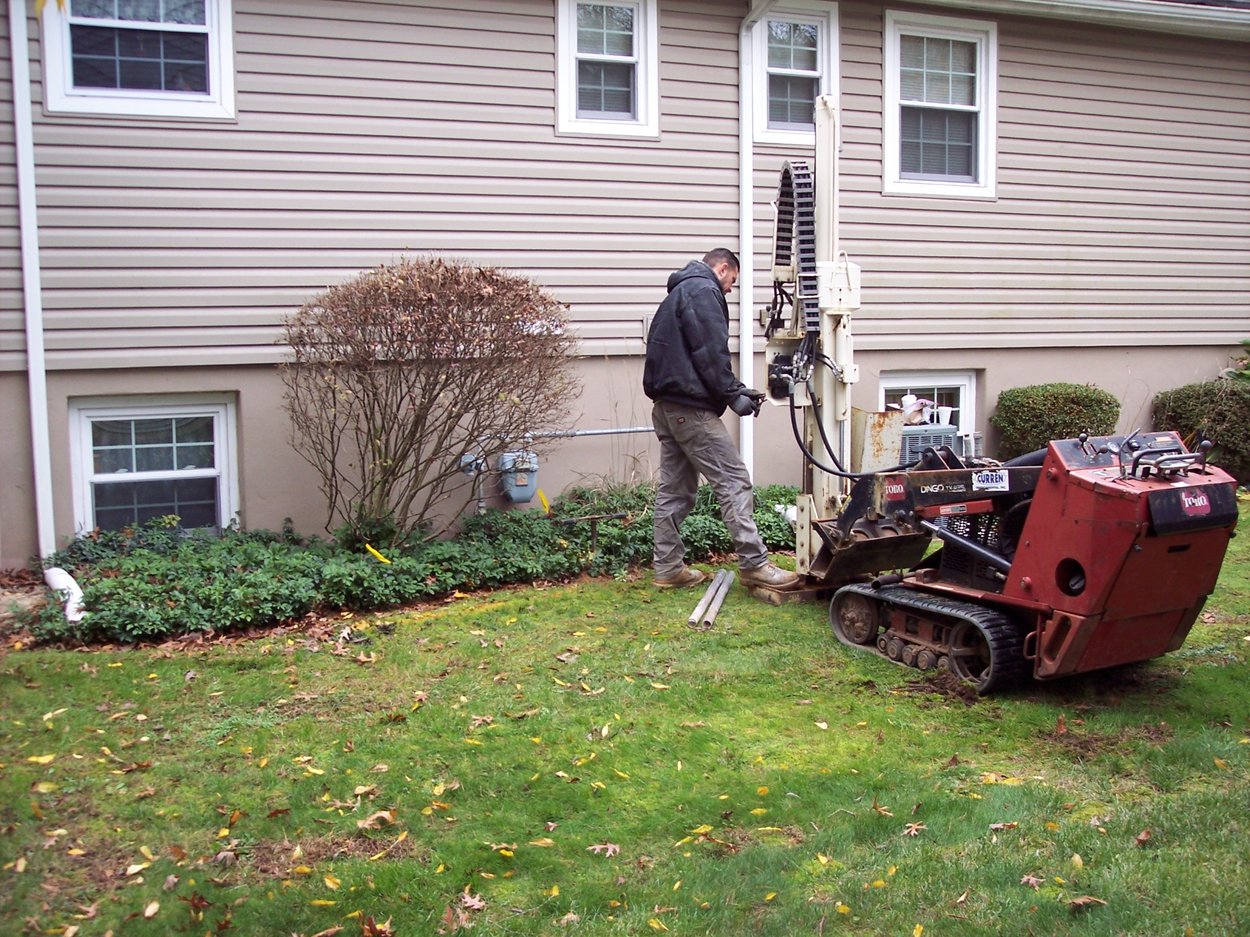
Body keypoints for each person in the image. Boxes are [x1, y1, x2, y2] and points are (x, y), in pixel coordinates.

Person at [643, 249, 801, 591]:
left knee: (675, 492)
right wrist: (731, 394)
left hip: (668, 408)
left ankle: (668, 568)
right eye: (732, 281)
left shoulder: (677, 294)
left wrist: (736, 389)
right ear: (723, 268)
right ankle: (755, 564)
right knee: (733, 480)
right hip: (690, 411)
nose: (730, 289)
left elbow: (689, 357)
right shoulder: (703, 290)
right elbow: (709, 351)